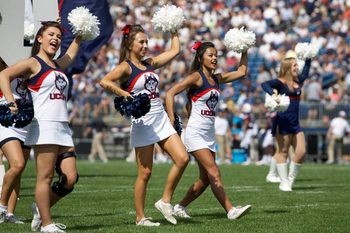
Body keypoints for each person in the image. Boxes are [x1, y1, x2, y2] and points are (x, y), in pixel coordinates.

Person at [100, 24, 189, 226]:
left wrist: (173, 28)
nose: (146, 45)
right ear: (130, 44)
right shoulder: (126, 67)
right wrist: (126, 95)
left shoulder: (149, 63)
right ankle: (141, 218)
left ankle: (164, 201)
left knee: (182, 158)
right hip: (142, 122)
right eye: (141, 41)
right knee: (145, 173)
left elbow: (175, 50)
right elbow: (105, 81)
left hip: (160, 117)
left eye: (147, 41)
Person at [0, 21, 81, 232]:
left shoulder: (57, 65)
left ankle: (40, 207)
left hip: (62, 127)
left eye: (58, 36)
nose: (55, 39)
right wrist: (10, 102)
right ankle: (46, 224)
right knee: (45, 177)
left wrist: (80, 34)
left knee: (71, 177)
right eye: (51, 35)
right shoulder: (33, 63)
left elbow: (71, 54)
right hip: (44, 125)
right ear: (40, 38)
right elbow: (4, 75)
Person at [166, 41, 251, 220]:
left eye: (216, 55)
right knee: (214, 171)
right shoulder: (196, 77)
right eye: (210, 55)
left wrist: (244, 48)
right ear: (200, 57)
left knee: (205, 179)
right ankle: (231, 210)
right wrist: (172, 118)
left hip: (208, 135)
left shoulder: (217, 79)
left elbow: (242, 72)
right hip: (195, 133)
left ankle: (180, 206)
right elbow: (171, 92)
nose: (214, 58)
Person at [261, 56, 311, 191]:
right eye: (294, 65)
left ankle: (290, 179)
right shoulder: (280, 82)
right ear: (288, 68)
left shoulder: (298, 81)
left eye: (297, 65)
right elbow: (264, 84)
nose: (297, 68)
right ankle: (283, 182)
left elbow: (306, 72)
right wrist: (273, 94)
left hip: (295, 123)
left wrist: (308, 58)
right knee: (282, 152)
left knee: (301, 152)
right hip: (282, 122)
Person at [0, 59, 31, 224]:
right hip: (6, 122)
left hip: (26, 124)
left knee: (18, 171)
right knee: (17, 164)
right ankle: (1, 206)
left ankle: (9, 214)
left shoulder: (24, 73)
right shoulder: (4, 77)